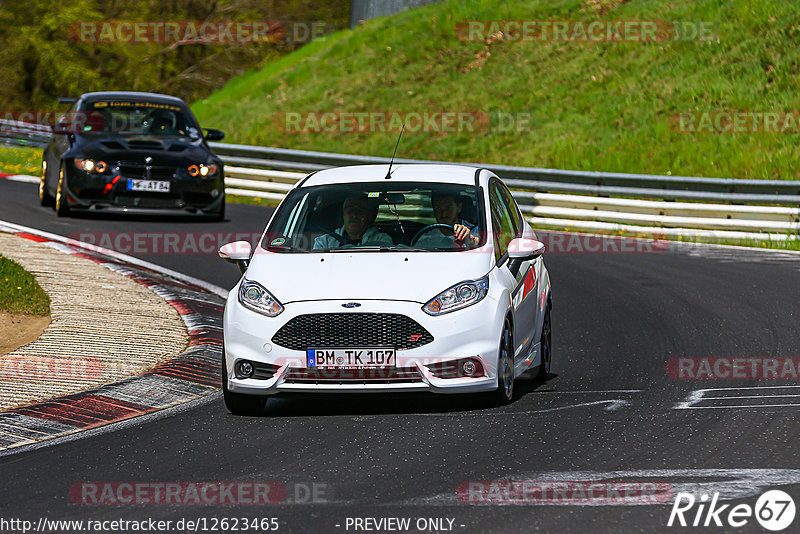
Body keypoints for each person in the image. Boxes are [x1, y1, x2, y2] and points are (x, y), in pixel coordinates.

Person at [313, 194, 394, 249]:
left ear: (369, 216)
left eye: (360, 210)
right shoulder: (325, 242)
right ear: (343, 215)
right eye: (349, 210)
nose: (354, 215)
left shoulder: (381, 240)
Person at [415, 192, 480, 249]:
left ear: (459, 207)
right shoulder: (427, 237)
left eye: (449, 208)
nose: (444, 214)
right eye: (438, 208)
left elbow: (483, 246)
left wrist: (470, 240)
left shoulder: (475, 231)